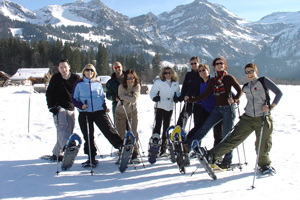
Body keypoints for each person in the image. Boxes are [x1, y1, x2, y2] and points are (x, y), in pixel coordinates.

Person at [203, 63, 283, 174]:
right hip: (248, 118)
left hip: (263, 118)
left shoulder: (263, 81)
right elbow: (240, 96)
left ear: (256, 72)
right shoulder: (245, 87)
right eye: (247, 72)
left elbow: (279, 93)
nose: (249, 74)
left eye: (251, 71)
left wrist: (270, 106)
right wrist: (235, 100)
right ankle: (211, 155)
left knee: (262, 144)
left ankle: (265, 165)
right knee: (233, 138)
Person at [187, 57, 242, 169]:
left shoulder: (228, 78)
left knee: (227, 136)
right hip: (217, 109)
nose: (219, 65)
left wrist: (235, 99)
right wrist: (191, 100)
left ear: (224, 65)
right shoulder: (213, 81)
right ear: (214, 67)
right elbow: (204, 95)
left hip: (228, 110)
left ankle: (227, 161)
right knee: (204, 128)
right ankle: (187, 147)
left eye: (221, 63)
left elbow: (240, 91)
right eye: (217, 64)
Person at [72, 64, 123, 165]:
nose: (89, 72)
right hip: (85, 112)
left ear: (94, 72)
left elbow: (101, 97)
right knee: (88, 135)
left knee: (108, 130)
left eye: (91, 70)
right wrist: (80, 105)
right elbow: (74, 98)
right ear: (84, 71)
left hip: (99, 111)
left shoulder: (98, 84)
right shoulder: (79, 84)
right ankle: (91, 157)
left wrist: (104, 106)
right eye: (87, 70)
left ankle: (121, 146)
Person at [45, 58, 81, 161]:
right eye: (61, 68)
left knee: (68, 132)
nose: (64, 70)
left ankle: (56, 152)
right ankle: (68, 147)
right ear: (58, 69)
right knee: (62, 129)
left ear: (69, 67)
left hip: (71, 108)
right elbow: (49, 93)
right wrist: (51, 107)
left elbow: (81, 91)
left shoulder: (76, 78)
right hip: (58, 108)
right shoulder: (55, 78)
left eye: (65, 67)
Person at [187, 64, 223, 145]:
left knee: (218, 133)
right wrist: (196, 101)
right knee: (198, 128)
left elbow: (226, 91)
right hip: (206, 109)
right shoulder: (202, 84)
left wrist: (235, 98)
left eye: (203, 70)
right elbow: (203, 97)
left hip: (217, 110)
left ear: (208, 71)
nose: (202, 72)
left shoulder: (214, 81)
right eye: (200, 71)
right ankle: (186, 142)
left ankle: (216, 154)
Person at [150, 66, 181, 156]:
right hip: (160, 105)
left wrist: (177, 98)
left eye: (169, 73)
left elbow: (178, 93)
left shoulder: (175, 83)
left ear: (172, 73)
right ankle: (154, 147)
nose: (168, 75)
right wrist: (154, 98)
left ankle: (164, 148)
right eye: (166, 73)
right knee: (158, 126)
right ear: (163, 74)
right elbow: (152, 92)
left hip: (170, 107)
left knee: (166, 128)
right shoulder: (159, 82)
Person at [115, 69, 141, 163]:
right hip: (120, 112)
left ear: (135, 78)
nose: (130, 80)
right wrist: (128, 96)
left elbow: (134, 99)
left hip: (132, 111)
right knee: (121, 133)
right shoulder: (121, 86)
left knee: (133, 132)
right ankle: (123, 151)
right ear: (125, 79)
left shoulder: (137, 86)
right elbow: (122, 96)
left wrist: (123, 97)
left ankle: (134, 152)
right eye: (128, 78)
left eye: (132, 78)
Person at [177, 56, 204, 130]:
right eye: (191, 64)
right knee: (182, 118)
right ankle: (178, 135)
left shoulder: (202, 74)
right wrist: (182, 97)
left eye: (195, 63)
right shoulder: (188, 75)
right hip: (189, 101)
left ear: (199, 63)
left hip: (199, 103)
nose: (193, 65)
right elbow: (184, 88)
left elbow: (207, 88)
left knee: (198, 123)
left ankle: (196, 140)